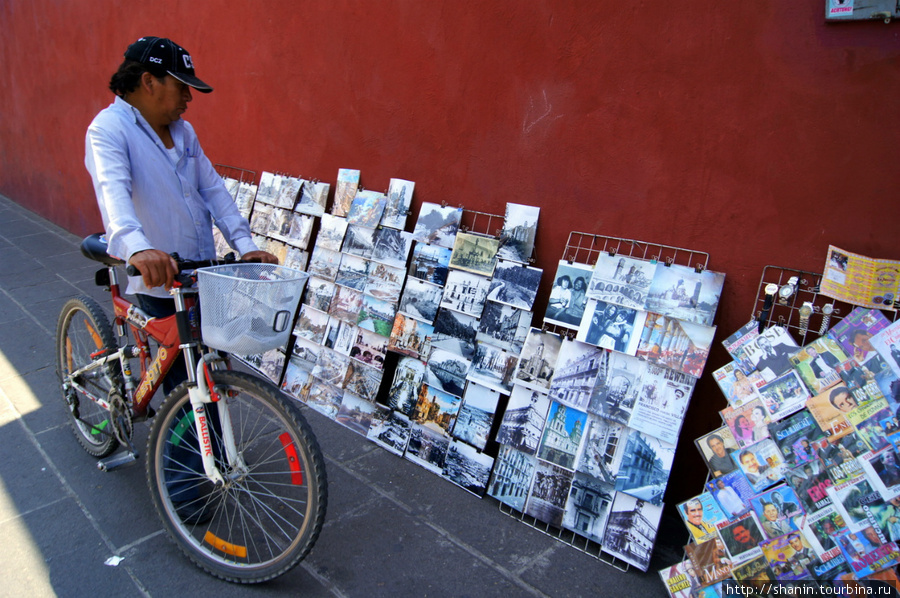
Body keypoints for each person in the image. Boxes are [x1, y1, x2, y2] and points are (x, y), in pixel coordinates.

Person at [85, 36, 277, 522]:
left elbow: (213, 188)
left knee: (206, 369)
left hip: (199, 272)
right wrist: (136, 246)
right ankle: (187, 491)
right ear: (147, 82)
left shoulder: (183, 132)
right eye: (181, 87)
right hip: (155, 274)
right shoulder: (108, 130)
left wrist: (243, 240)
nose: (188, 98)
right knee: (180, 384)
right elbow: (113, 195)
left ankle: (212, 455)